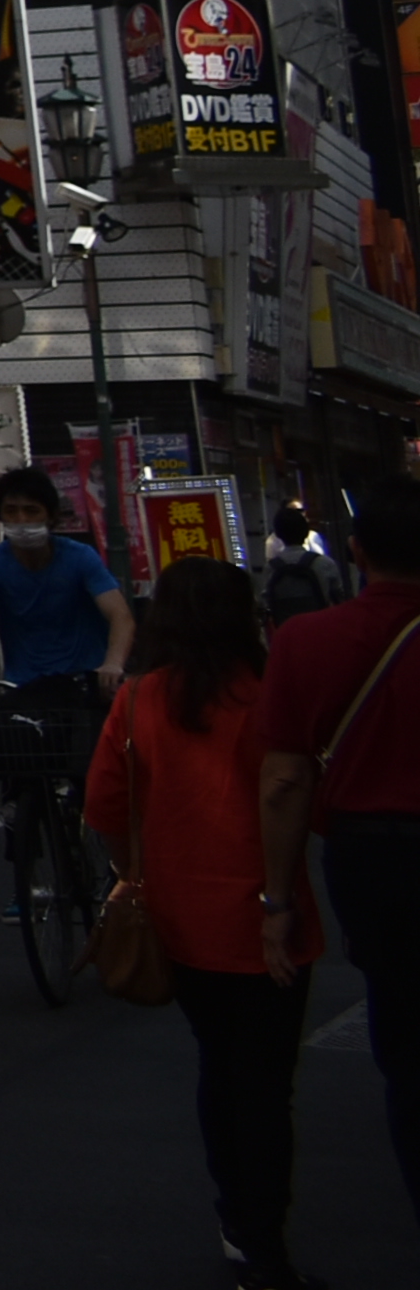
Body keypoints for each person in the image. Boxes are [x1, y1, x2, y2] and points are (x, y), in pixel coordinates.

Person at [90, 557, 322, 1290]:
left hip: (180, 917)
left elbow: (104, 803)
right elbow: (299, 791)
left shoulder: (138, 700)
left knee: (219, 1067)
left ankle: (236, 1219)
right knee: (266, 1084)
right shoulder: (268, 693)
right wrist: (276, 899)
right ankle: (263, 1240)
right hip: (269, 914)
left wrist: (134, 871)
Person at [259, 472, 420, 1234]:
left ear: (356, 552)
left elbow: (285, 780)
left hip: (372, 859)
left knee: (407, 1044)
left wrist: (278, 900)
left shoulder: (305, 642)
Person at [0, 463, 135, 741]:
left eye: (31, 511)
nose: (21, 520)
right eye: (11, 511)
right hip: (26, 688)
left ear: (51, 516)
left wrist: (113, 664)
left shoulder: (80, 558)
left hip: (86, 686)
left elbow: (120, 616)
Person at [268, 505, 347, 630]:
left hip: (287, 635)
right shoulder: (325, 564)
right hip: (321, 632)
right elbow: (340, 602)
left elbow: (267, 606)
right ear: (306, 532)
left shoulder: (271, 569)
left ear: (278, 534)